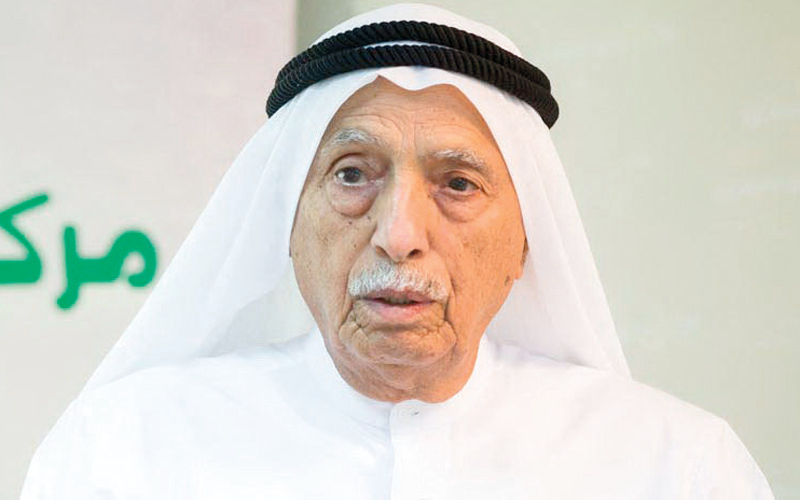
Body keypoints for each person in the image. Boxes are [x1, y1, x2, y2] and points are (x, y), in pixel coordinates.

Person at [22, 4, 773, 498]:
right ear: (287, 222)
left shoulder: (677, 466)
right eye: (353, 175)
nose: (400, 233)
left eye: (457, 183)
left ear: (524, 243)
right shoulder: (123, 451)